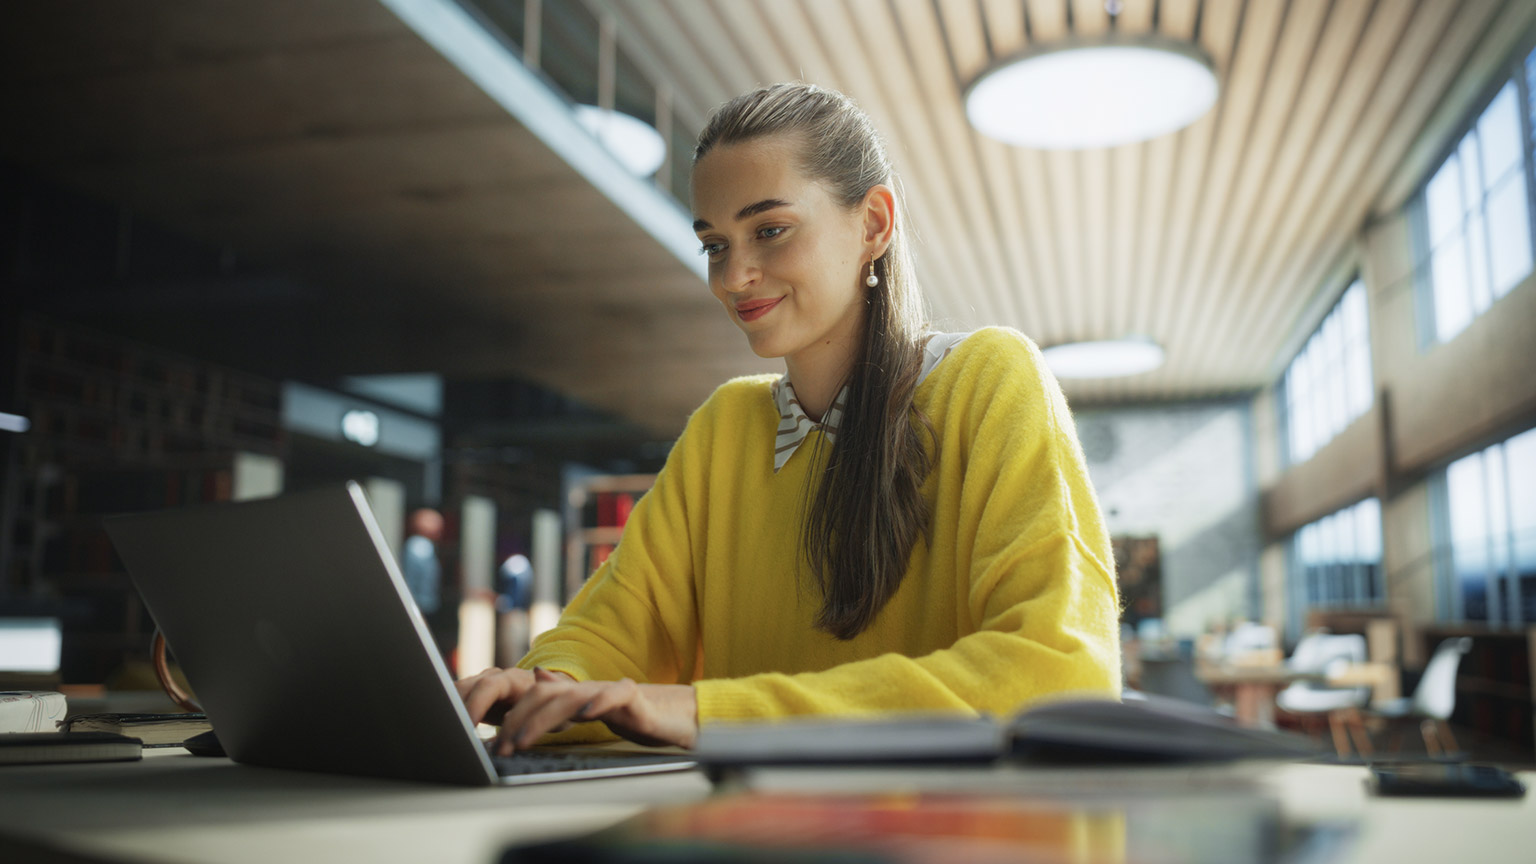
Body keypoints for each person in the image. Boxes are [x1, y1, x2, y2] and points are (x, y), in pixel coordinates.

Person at [457, 83, 1121, 756]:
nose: (733, 276)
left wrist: (711, 714)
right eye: (715, 244)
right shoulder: (726, 429)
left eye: (769, 231)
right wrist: (547, 687)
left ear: (874, 225)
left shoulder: (989, 379)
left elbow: (1057, 673)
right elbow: (615, 629)